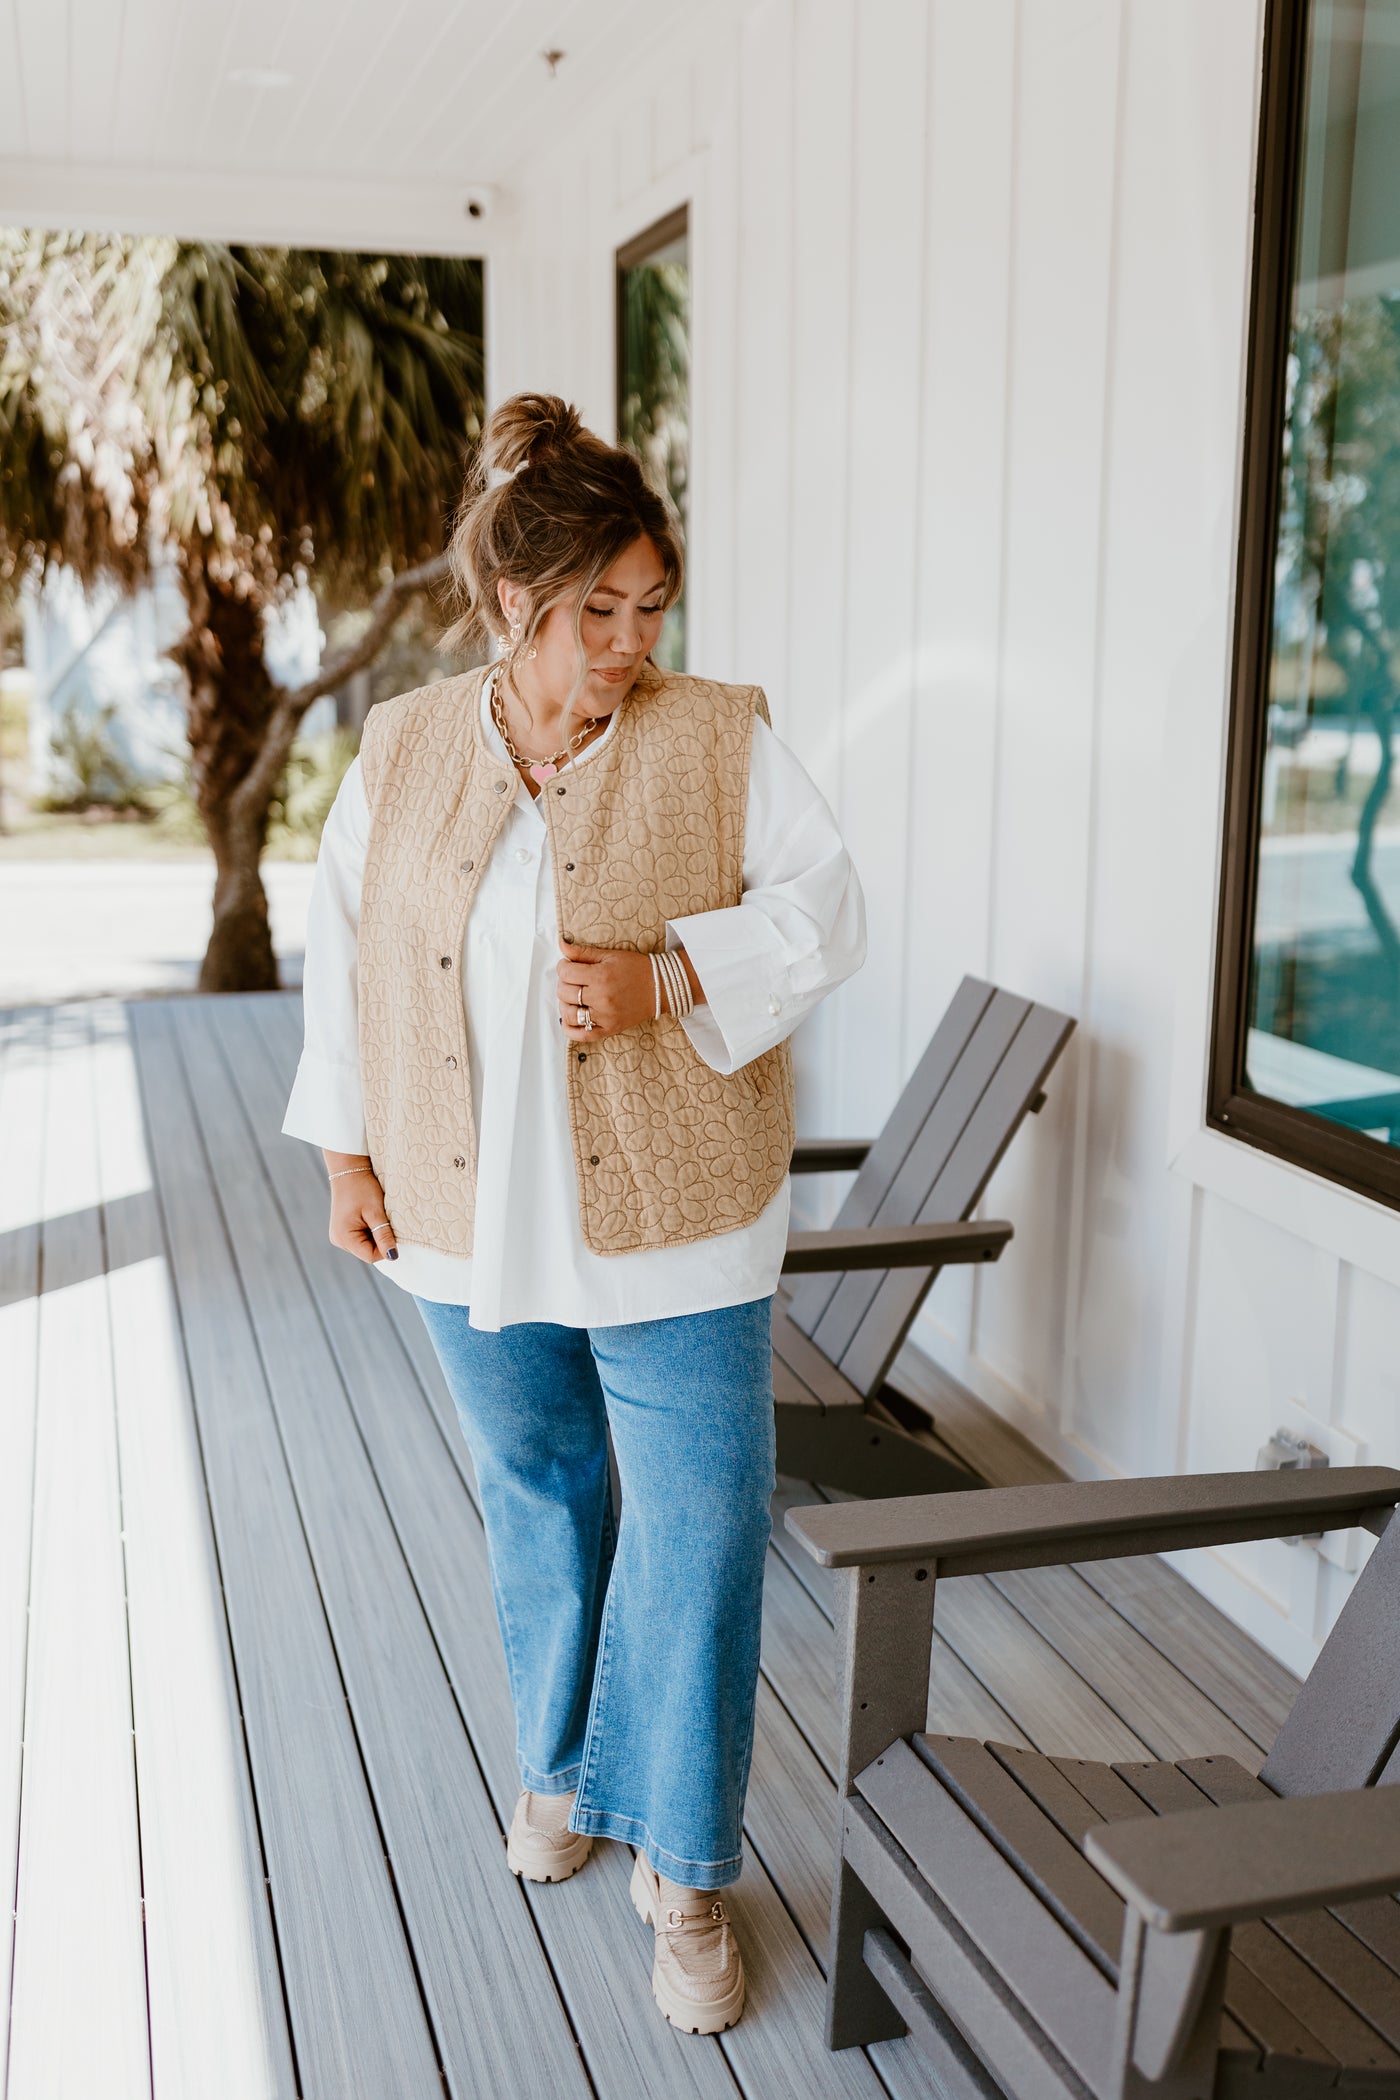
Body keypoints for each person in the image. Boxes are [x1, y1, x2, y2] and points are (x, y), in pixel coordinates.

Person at [282, 392, 865, 2035]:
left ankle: (685, 1871)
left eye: (650, 606)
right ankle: (561, 1772)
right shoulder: (397, 752)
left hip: (681, 1211)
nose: (629, 641)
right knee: (537, 1487)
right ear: (510, 606)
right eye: (596, 611)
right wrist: (345, 1158)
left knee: (699, 1523)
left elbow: (833, 913)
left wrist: (677, 970)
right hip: (466, 1220)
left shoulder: (722, 736)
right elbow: (350, 958)